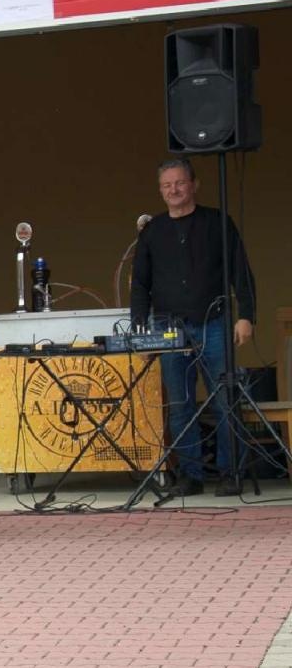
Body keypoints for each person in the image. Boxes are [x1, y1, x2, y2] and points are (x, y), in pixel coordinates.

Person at [130, 156, 257, 497]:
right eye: (166, 185)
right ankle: (190, 475)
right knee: (180, 404)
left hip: (214, 323)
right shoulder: (152, 231)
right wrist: (140, 332)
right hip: (169, 328)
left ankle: (231, 473)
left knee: (224, 399)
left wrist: (246, 315)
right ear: (160, 190)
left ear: (194, 184)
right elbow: (140, 285)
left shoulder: (218, 222)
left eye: (179, 183)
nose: (173, 190)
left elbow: (241, 271)